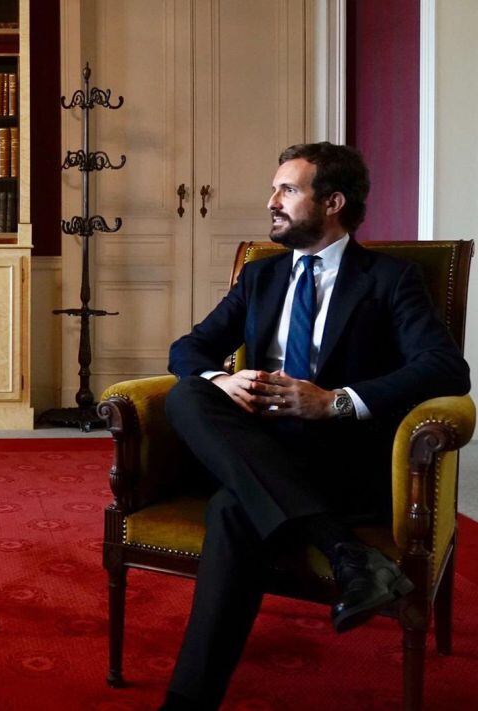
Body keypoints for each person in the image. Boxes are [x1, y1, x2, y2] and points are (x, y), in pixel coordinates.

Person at [161, 142, 470, 709]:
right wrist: (219, 380)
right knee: (189, 394)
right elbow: (189, 348)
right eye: (275, 188)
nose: (271, 200)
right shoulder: (262, 277)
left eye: (288, 189)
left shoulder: (389, 279)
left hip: (342, 461)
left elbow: (447, 367)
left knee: (233, 509)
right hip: (261, 447)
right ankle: (345, 551)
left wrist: (335, 402)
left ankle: (187, 702)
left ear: (332, 201)